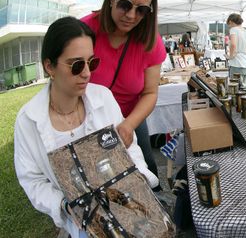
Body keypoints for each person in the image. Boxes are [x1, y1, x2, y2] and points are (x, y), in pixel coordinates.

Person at [14, 16, 159, 238]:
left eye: (92, 62)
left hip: (129, 209)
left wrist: (138, 182)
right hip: (84, 226)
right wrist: (64, 205)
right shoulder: (28, 121)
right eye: (76, 65)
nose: (87, 73)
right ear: (49, 66)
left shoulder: (104, 98)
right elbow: (32, 180)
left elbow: (130, 150)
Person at [81, 0, 166, 189]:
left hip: (130, 118)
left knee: (146, 169)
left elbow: (149, 93)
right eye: (125, 5)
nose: (131, 15)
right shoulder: (85, 29)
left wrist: (129, 125)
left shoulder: (151, 41)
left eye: (141, 10)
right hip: (89, 122)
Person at [226, 13, 246, 88]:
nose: (229, 26)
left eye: (229, 24)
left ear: (231, 21)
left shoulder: (233, 30)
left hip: (237, 63)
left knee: (235, 89)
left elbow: (233, 45)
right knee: (245, 89)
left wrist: (230, 56)